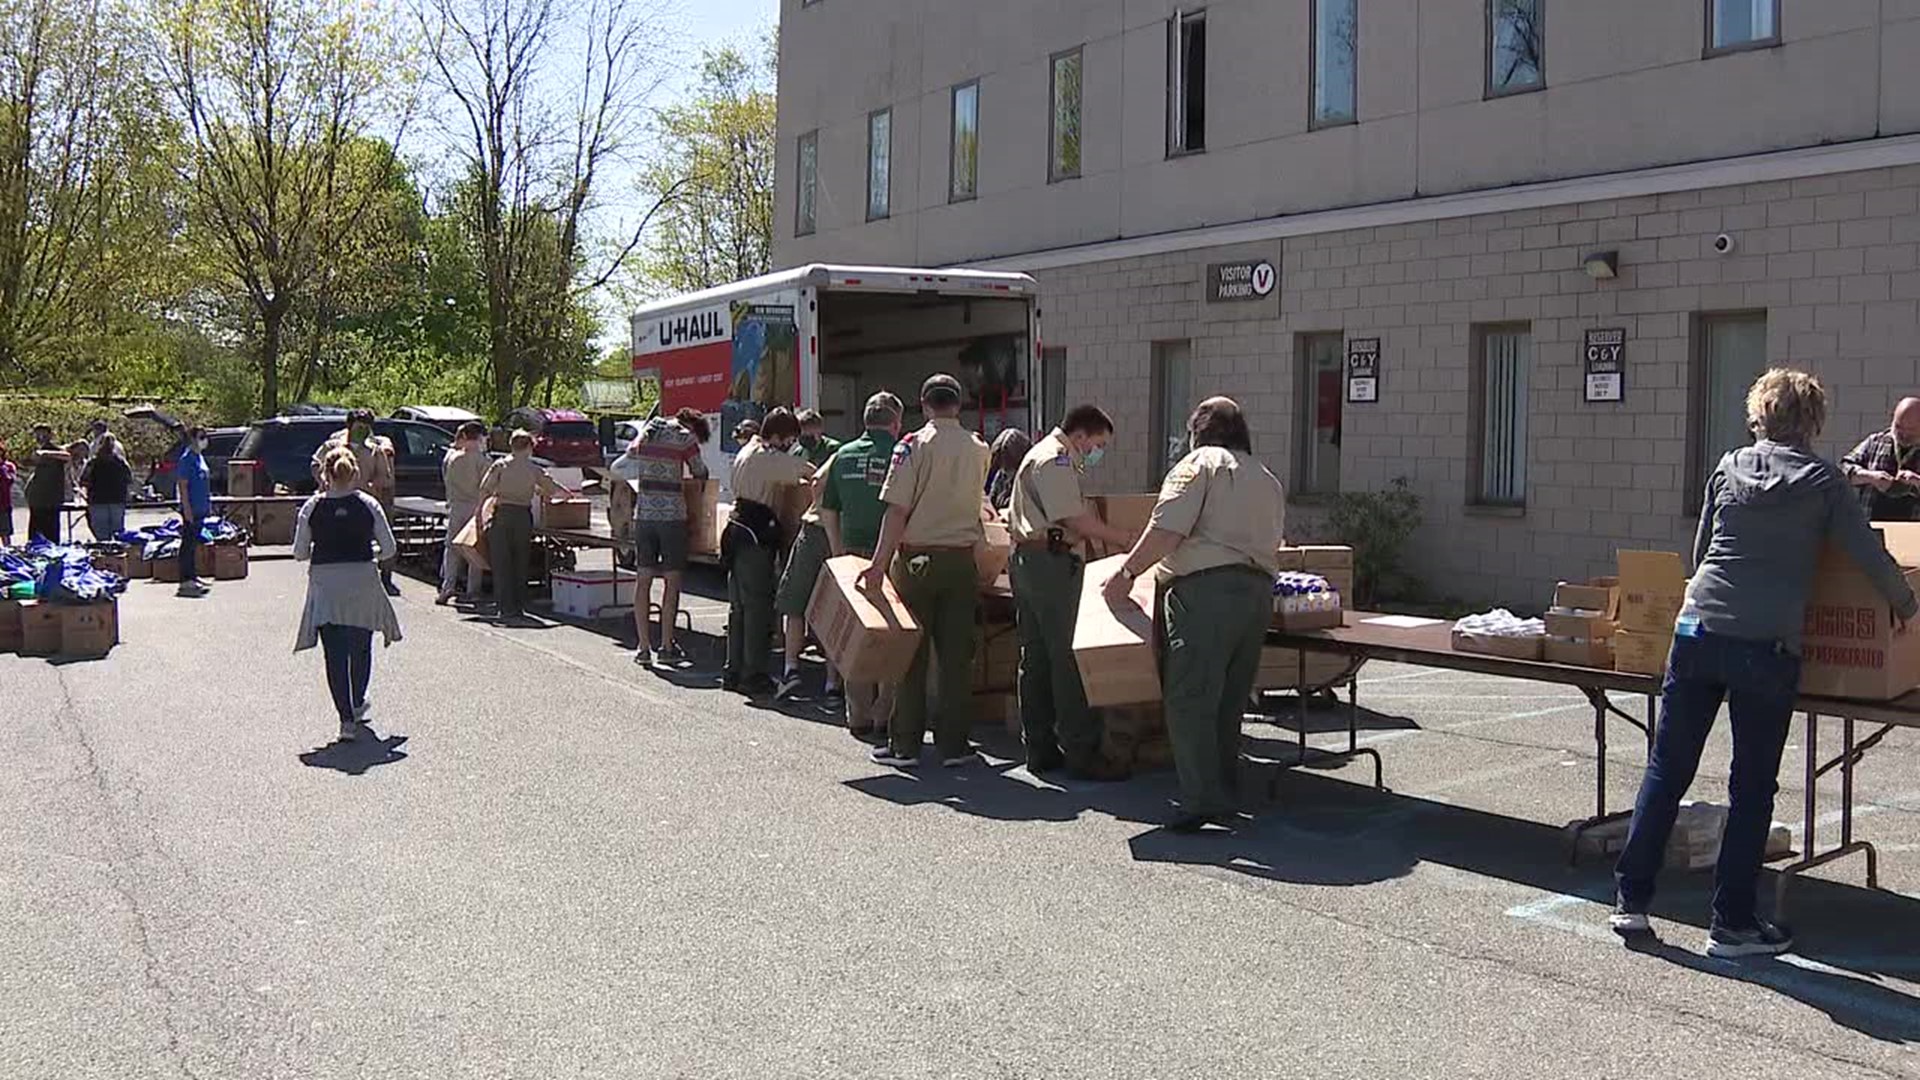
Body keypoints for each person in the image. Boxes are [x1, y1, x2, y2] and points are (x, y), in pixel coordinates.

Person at [1609, 369, 1918, 957]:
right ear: (1813, 421)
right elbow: (1869, 555)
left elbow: (1701, 554)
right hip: (1765, 645)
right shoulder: (1823, 481)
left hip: (1697, 630)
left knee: (1667, 770)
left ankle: (1632, 902)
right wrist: (1908, 606)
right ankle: (1731, 924)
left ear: (1760, 415)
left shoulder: (1728, 467)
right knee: (1751, 787)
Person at [1102, 397, 1283, 832]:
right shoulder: (1266, 478)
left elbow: (1167, 529)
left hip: (1204, 595)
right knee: (1229, 700)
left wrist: (1126, 573)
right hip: (1257, 594)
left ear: (1197, 432)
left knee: (1189, 699)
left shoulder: (1198, 465)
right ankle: (1223, 788)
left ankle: (1201, 799)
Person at [859, 374, 991, 768]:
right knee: (955, 657)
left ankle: (905, 744)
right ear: (960, 403)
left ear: (923, 403)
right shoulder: (978, 448)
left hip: (917, 560)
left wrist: (878, 563)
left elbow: (897, 510)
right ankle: (955, 744)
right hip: (961, 560)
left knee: (910, 654)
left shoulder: (912, 446)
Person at [1009, 406, 1139, 779]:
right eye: (1098, 444)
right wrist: (1127, 540)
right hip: (1049, 564)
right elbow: (1074, 520)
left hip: (1032, 560)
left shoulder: (1045, 455)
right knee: (1064, 657)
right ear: (1080, 436)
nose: (1098, 452)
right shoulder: (1056, 460)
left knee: (1035, 658)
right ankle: (1081, 751)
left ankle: (1039, 747)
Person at [294, 445, 403, 743]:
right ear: (355, 471)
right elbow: (390, 548)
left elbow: (299, 553)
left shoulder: (312, 507)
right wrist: (371, 552)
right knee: (360, 646)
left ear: (325, 474)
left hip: (326, 584)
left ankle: (345, 719)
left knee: (335, 653)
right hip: (361, 580)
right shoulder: (368, 504)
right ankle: (356, 703)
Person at [810, 393, 904, 739]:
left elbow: (827, 507)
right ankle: (886, 714)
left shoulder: (843, 455)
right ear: (895, 423)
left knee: (857, 634)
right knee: (892, 633)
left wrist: (837, 552)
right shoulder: (900, 454)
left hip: (850, 552)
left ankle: (858, 714)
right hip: (890, 555)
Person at [609, 406, 712, 666]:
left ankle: (643, 647)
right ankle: (666, 645)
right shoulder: (685, 437)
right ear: (693, 426)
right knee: (671, 582)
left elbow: (625, 461)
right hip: (672, 517)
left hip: (644, 516)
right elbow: (701, 471)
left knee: (643, 580)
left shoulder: (647, 431)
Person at [724, 407, 814, 694]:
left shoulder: (748, 450)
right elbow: (807, 472)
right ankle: (754, 674)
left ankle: (734, 670)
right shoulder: (767, 457)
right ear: (776, 436)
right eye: (789, 440)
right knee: (758, 608)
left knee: (738, 608)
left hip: (735, 532)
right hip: (755, 536)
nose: (790, 446)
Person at [312, 408, 400, 596]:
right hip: (334, 502)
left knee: (365, 544)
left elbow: (387, 479)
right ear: (349, 426)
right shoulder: (334, 446)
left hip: (362, 505)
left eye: (366, 428)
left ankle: (381, 579)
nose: (362, 431)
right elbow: (315, 464)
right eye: (359, 427)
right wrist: (323, 481)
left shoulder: (375, 450)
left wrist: (373, 483)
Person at [479, 429, 565, 622]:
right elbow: (552, 489)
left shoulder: (500, 466)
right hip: (522, 517)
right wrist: (565, 493)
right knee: (520, 562)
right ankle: (518, 605)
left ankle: (504, 606)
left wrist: (479, 515)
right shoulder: (533, 469)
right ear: (528, 447)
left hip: (501, 515)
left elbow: (485, 490)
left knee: (501, 564)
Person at [1839, 397, 1920, 521]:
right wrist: (1870, 477)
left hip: (1913, 532)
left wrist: (1916, 481)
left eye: (1911, 431)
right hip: (1870, 528)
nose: (1903, 434)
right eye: (1898, 427)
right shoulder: (1875, 442)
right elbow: (1843, 469)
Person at [437, 421, 492, 605]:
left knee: (451, 549)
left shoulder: (452, 458)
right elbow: (487, 487)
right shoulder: (483, 461)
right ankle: (473, 590)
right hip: (475, 508)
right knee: (473, 550)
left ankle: (447, 586)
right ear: (478, 438)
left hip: (455, 506)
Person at [175, 426, 215, 597]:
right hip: (191, 509)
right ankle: (186, 580)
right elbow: (183, 486)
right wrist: (187, 509)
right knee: (188, 545)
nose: (204, 439)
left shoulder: (199, 457)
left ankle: (193, 576)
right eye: (200, 436)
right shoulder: (187, 459)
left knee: (194, 545)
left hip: (201, 508)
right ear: (192, 439)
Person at [81, 433, 134, 542]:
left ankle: (104, 556)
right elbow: (129, 479)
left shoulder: (93, 462)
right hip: (117, 500)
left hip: (97, 500)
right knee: (118, 533)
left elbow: (84, 480)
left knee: (101, 535)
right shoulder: (121, 462)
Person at [24, 425, 67, 544]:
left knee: (51, 534)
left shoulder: (55, 450)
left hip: (50, 500)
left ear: (49, 435)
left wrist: (46, 454)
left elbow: (67, 456)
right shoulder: (34, 450)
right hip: (36, 500)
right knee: (35, 534)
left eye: (43, 434)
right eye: (37, 434)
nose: (40, 437)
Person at [986, 427, 1033, 513]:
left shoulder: (1030, 478)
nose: (1004, 469)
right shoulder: (1001, 476)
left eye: (1007, 465)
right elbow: (991, 501)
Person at [0, 440, 15, 546]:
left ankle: (8, 554)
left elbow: (9, 480)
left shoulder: (9, 466)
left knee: (5, 533)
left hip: (3, 505)